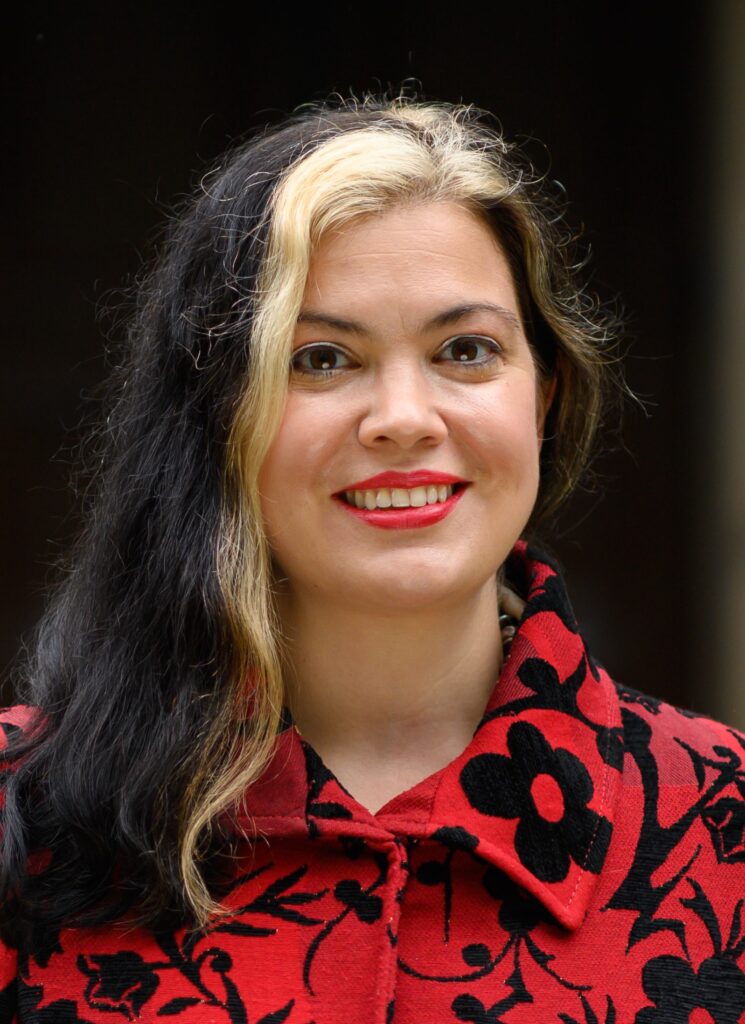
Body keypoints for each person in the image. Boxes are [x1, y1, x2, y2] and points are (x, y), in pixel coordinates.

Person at [2, 94, 745, 1024]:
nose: (404, 417)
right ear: (218, 415)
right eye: (319, 358)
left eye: (465, 350)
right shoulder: (19, 820)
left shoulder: (724, 823)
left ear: (543, 396)